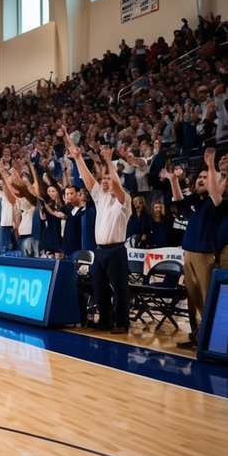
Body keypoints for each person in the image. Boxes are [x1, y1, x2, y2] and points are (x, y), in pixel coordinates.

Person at [66, 134, 131, 334]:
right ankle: (104, 320)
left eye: (107, 180)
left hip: (116, 250)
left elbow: (116, 186)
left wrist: (109, 163)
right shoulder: (101, 198)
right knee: (100, 287)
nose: (103, 182)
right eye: (102, 180)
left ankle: (121, 323)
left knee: (119, 289)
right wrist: (77, 159)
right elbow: (88, 180)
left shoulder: (124, 200)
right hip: (100, 251)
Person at [169, 149, 224, 349]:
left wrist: (211, 165)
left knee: (207, 298)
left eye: (205, 177)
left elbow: (216, 196)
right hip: (188, 254)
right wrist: (172, 179)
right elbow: (178, 202)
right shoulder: (195, 200)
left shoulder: (216, 202)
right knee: (192, 299)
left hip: (205, 256)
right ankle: (196, 336)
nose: (201, 180)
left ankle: (210, 339)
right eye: (199, 177)